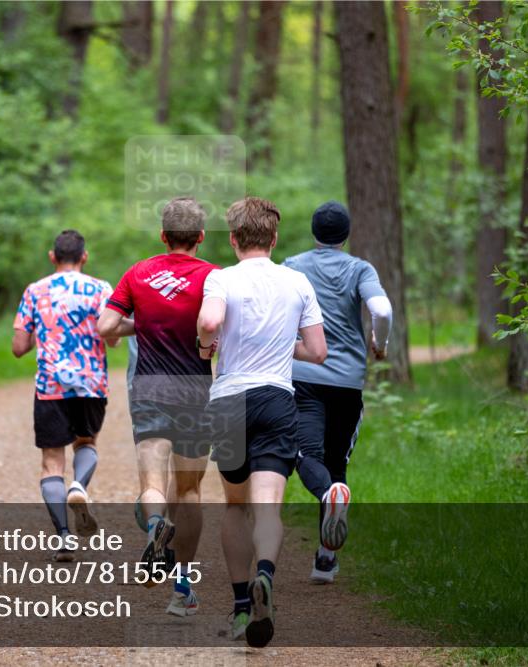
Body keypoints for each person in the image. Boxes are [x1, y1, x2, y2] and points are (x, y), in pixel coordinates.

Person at [196, 197, 327, 647]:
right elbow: (317, 351)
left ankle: (239, 606)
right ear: (273, 238)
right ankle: (265, 576)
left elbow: (210, 320)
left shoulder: (221, 277)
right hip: (276, 398)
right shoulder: (297, 281)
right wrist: (281, 344)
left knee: (235, 506)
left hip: (230, 400)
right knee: (268, 506)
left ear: (234, 239)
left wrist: (205, 344)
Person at [97, 197, 218, 617]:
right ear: (201, 236)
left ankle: (153, 526)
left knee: (152, 481)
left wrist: (143, 323)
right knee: (189, 490)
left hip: (149, 389)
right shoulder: (214, 277)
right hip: (196, 393)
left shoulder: (139, 273)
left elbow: (106, 327)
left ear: (163, 236)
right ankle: (181, 587)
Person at [283, 201, 393, 583]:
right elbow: (382, 310)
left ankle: (328, 496)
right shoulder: (360, 269)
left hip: (303, 376)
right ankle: (325, 559)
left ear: (314, 232)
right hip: (347, 382)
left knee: (305, 455)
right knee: (336, 465)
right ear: (346, 235)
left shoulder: (292, 266)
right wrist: (380, 343)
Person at [12, 229, 118, 562]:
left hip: (50, 386)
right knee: (86, 443)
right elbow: (113, 338)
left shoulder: (35, 291)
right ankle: (80, 486)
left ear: (52, 257)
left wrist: (40, 333)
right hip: (90, 383)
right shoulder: (101, 289)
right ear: (84, 257)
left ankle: (63, 536)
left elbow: (18, 347)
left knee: (51, 462)